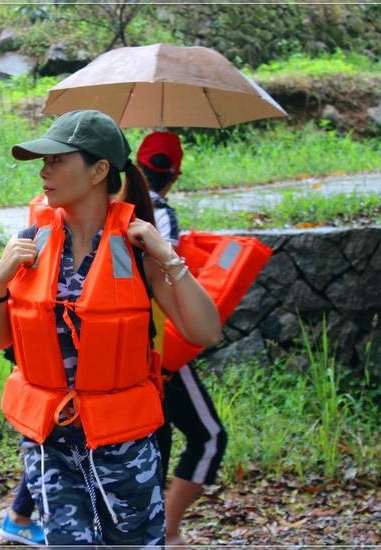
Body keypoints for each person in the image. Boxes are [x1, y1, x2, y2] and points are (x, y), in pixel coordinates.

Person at [0, 110, 221, 546]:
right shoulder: (32, 241)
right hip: (51, 441)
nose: (44, 171)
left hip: (123, 442)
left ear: (99, 170)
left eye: (57, 160)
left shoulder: (135, 245)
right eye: (43, 162)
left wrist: (168, 258)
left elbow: (205, 331)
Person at [137, 131, 229, 546]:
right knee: (209, 436)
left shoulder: (107, 210)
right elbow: (165, 284)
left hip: (112, 351)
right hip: (158, 350)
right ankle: (167, 533)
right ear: (175, 176)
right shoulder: (160, 217)